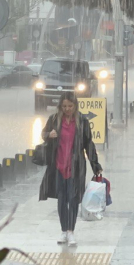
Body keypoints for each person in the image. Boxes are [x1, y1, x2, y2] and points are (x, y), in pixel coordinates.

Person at [39, 91, 103, 246]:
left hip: (76, 167)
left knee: (73, 199)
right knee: (62, 199)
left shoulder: (82, 121)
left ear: (75, 106)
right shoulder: (54, 120)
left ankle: (71, 231)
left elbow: (89, 144)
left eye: (70, 106)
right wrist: (49, 134)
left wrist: (95, 165)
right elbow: (43, 134)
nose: (67, 109)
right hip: (58, 166)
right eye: (64, 106)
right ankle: (63, 231)